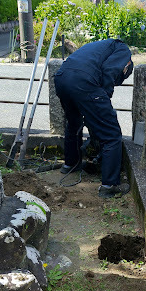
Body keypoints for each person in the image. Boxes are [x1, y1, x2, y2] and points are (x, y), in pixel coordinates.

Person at [54, 38, 133, 198]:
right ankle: (109, 186)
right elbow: (109, 73)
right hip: (84, 80)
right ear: (126, 68)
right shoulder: (124, 52)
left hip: (62, 78)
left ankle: (71, 164)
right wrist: (105, 100)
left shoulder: (100, 46)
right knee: (111, 134)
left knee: (74, 123)